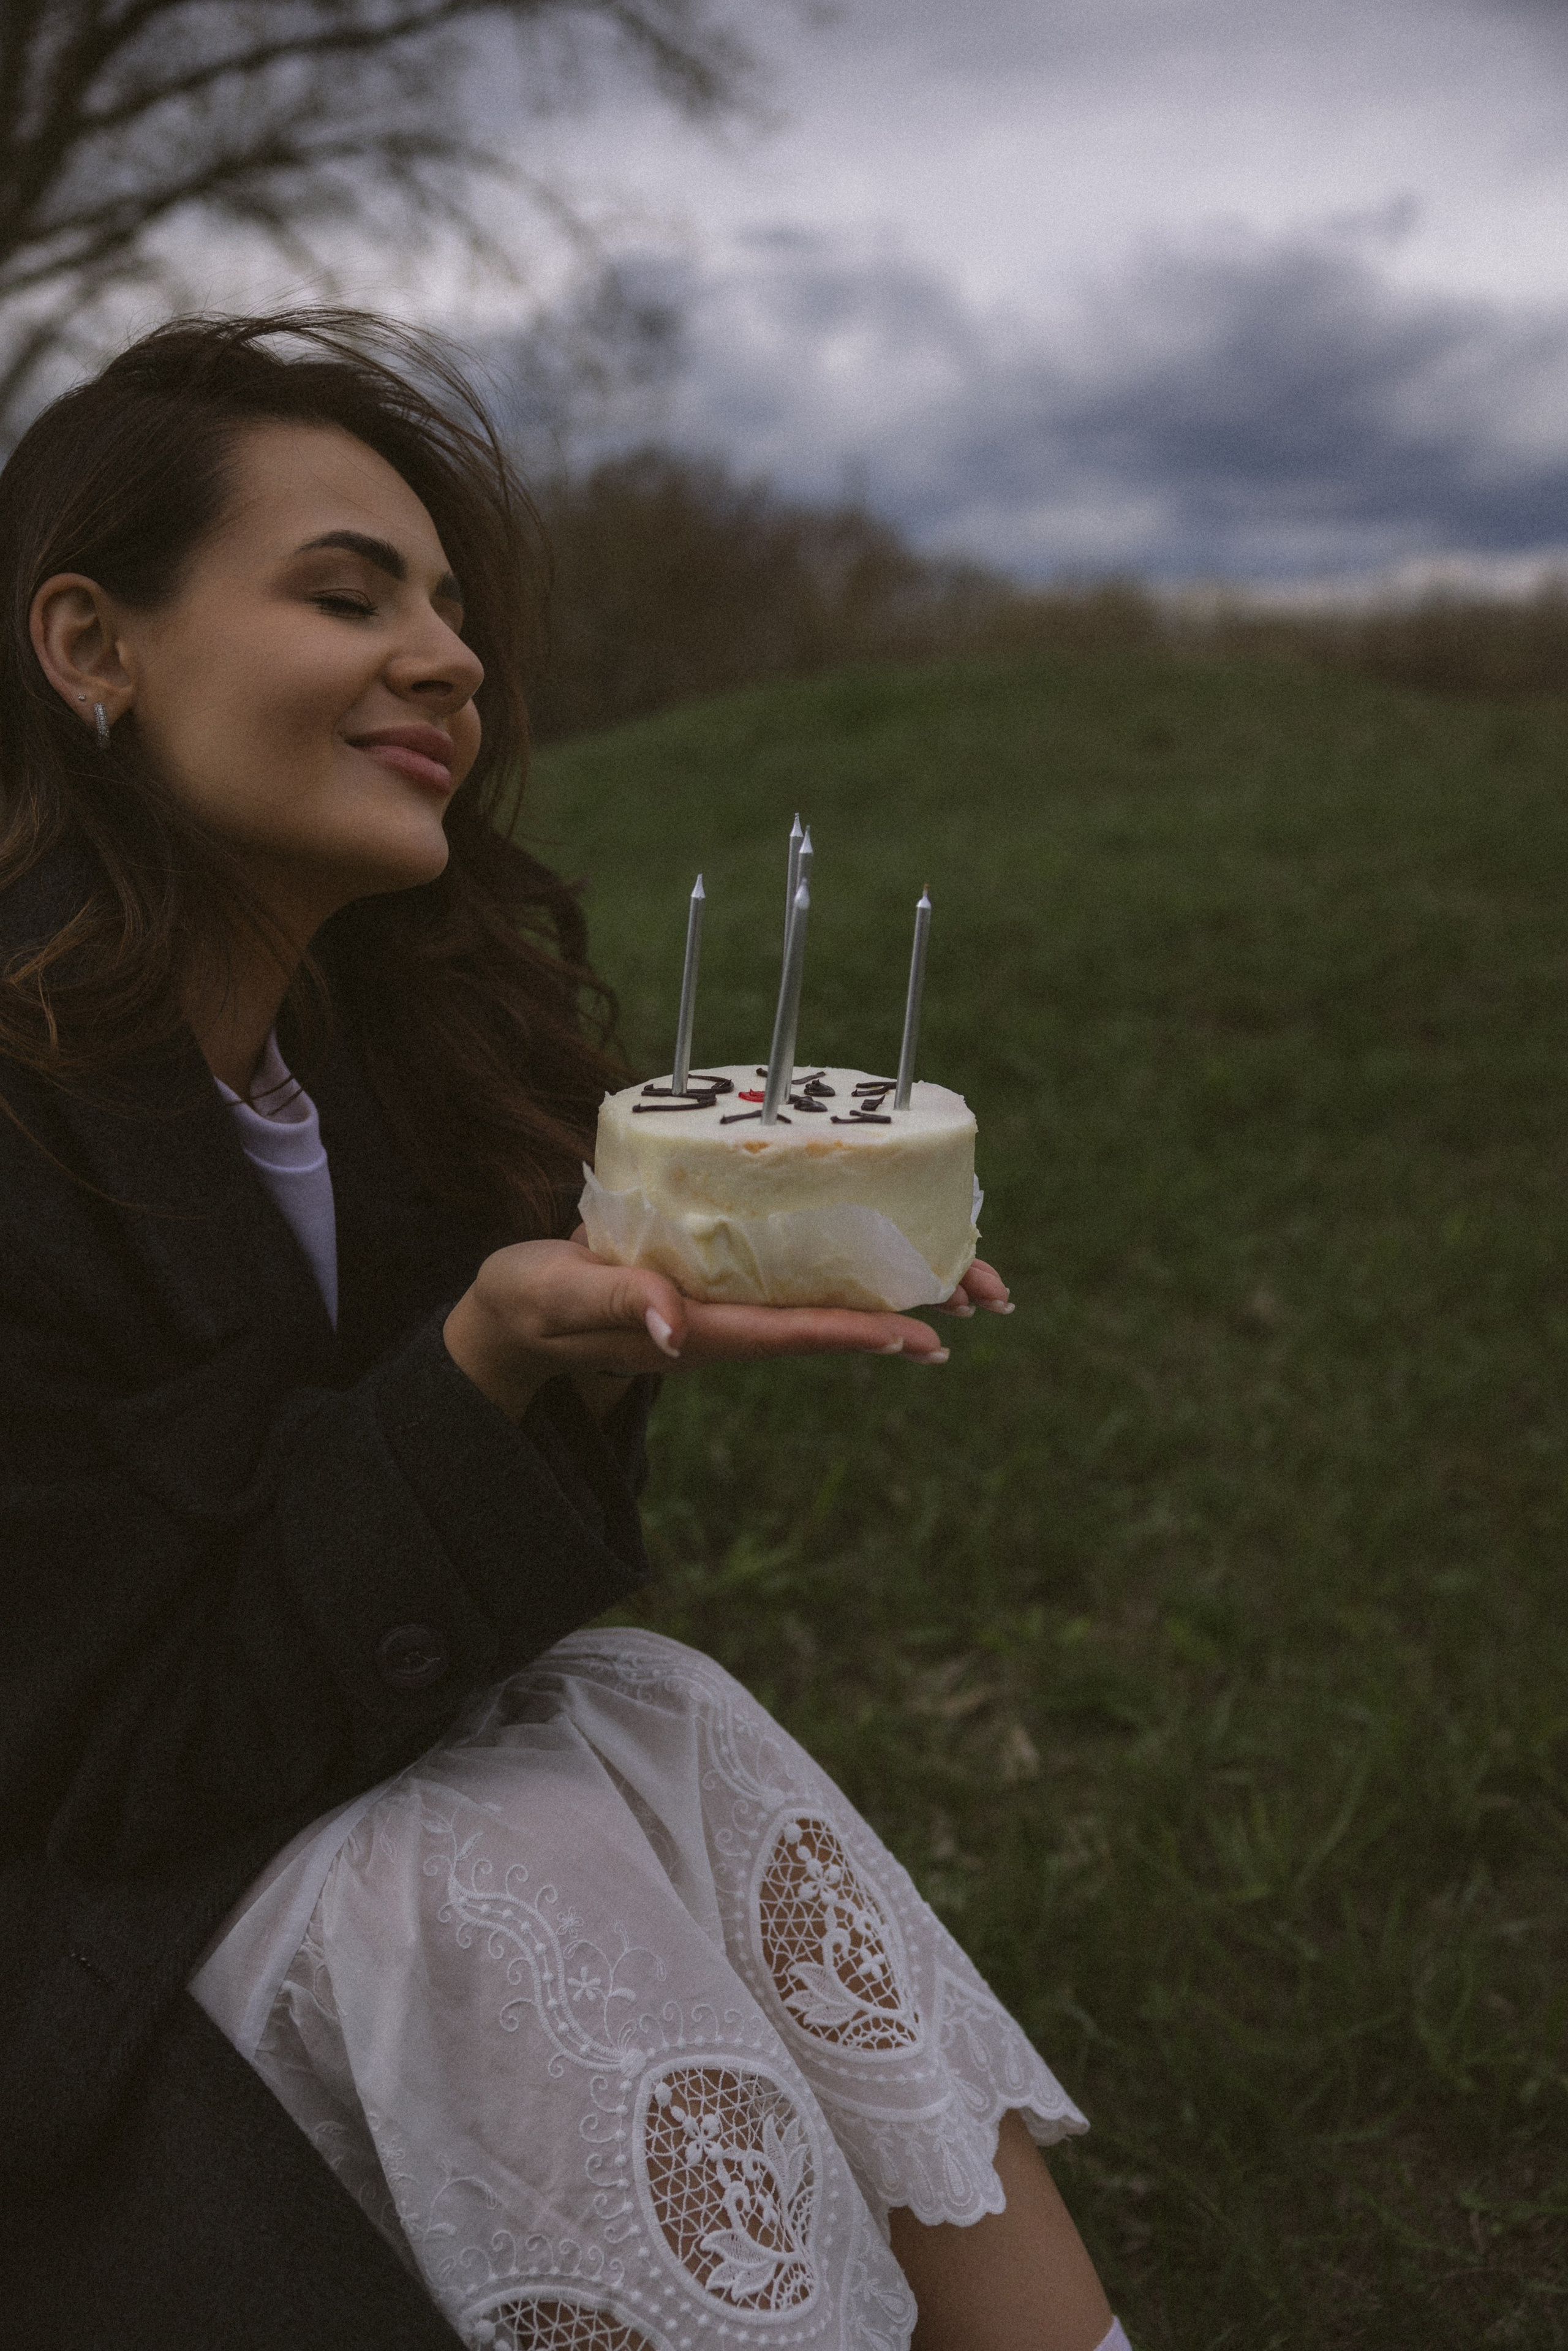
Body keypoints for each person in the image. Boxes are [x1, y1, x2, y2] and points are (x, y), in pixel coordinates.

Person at [0, 311, 1128, 2351]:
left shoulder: (375, 1069)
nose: (452, 659)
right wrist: (480, 1373)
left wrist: (578, 1363)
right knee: (474, 1858)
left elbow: (414, 1623)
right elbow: (121, 1768)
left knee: (646, 1708)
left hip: (238, 1817)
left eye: (452, 609)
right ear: (93, 646)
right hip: (59, 1964)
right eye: (349, 595)